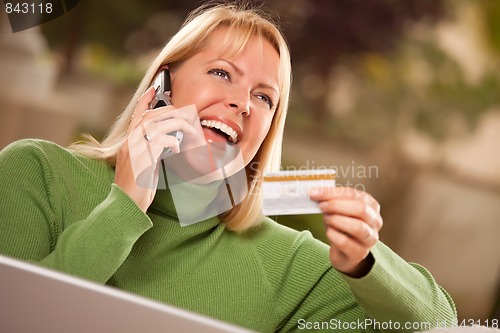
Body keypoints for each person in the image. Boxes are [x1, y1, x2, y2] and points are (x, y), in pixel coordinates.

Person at [0, 2, 457, 332]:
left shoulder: (289, 261)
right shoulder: (36, 172)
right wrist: (124, 206)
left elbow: (439, 324)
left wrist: (365, 262)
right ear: (161, 87)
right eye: (221, 73)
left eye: (264, 97)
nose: (242, 103)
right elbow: (16, 317)